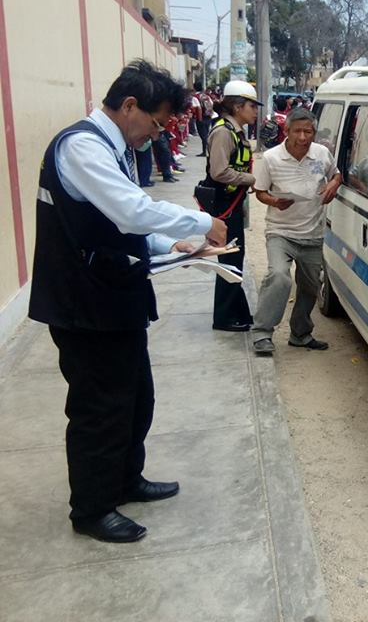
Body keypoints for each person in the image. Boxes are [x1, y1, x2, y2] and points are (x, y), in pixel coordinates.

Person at [28, 60, 228, 543]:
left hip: (114, 297)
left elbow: (121, 226)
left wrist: (171, 246)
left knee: (136, 398)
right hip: (84, 304)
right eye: (158, 123)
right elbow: (131, 211)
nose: (157, 133)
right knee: (100, 408)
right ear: (130, 106)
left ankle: (125, 478)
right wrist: (200, 223)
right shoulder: (82, 148)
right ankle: (93, 508)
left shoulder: (110, 149)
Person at [250, 107, 342, 355]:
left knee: (310, 287)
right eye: (297, 131)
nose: (302, 137)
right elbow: (260, 192)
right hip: (280, 232)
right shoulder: (270, 158)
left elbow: (336, 174)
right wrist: (275, 202)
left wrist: (333, 184)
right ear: (286, 130)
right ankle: (262, 332)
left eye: (308, 131)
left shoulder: (322, 154)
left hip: (312, 234)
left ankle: (300, 334)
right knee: (279, 276)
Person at [205, 79, 259, 331]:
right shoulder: (223, 132)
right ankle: (224, 317)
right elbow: (219, 171)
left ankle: (238, 312)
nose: (255, 111)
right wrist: (249, 178)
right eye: (252, 106)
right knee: (229, 259)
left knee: (235, 257)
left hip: (232, 204)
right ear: (237, 107)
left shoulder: (235, 131)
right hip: (223, 207)